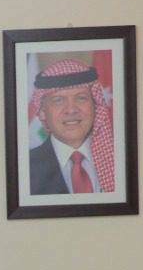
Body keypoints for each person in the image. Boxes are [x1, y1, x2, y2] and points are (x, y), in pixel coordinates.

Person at [27, 59, 115, 195]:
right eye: (58, 100)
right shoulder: (24, 168)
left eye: (81, 98)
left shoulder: (121, 160)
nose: (71, 110)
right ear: (42, 112)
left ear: (95, 105)